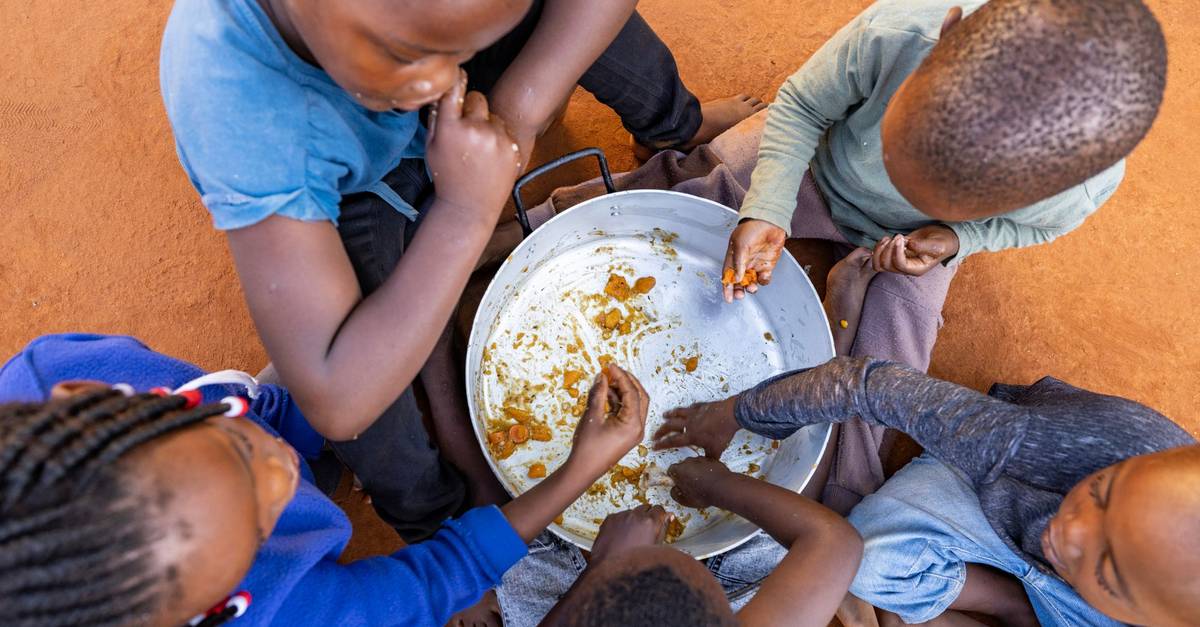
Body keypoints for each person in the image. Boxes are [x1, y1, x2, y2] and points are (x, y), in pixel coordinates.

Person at [158, 0, 765, 543]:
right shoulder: (237, 102)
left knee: (598, 35)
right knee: (379, 410)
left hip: (471, 116)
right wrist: (466, 210)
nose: (441, 85)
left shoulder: (417, 51)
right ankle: (439, 524)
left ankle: (673, 127)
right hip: (356, 191)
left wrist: (521, 108)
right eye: (402, 52)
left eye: (460, 54)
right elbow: (338, 397)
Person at [720, 0, 1168, 512]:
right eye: (894, 151)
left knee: (888, 373)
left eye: (947, 201)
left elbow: (1021, 230)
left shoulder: (1076, 192)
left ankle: (837, 499)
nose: (896, 193)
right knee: (711, 191)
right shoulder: (899, 31)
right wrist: (769, 208)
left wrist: (956, 240)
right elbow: (801, 107)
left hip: (918, 247)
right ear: (946, 33)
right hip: (819, 169)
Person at [0, 333, 650, 627]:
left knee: (336, 349)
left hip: (259, 403)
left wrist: (301, 411)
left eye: (231, 439)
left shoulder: (51, 372)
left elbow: (270, 418)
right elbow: (430, 581)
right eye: (258, 530)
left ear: (87, 392)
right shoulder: (291, 612)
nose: (283, 474)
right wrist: (580, 468)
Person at [653, 353, 1199, 626]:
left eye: (1106, 566)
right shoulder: (1051, 446)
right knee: (865, 561)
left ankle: (1033, 598)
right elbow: (870, 384)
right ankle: (1015, 599)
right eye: (1100, 493)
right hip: (999, 488)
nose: (1069, 526)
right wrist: (736, 412)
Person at [497, 460, 861, 627]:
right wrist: (718, 484)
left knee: (505, 560)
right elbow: (837, 543)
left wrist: (602, 571)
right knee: (780, 542)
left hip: (566, 604)